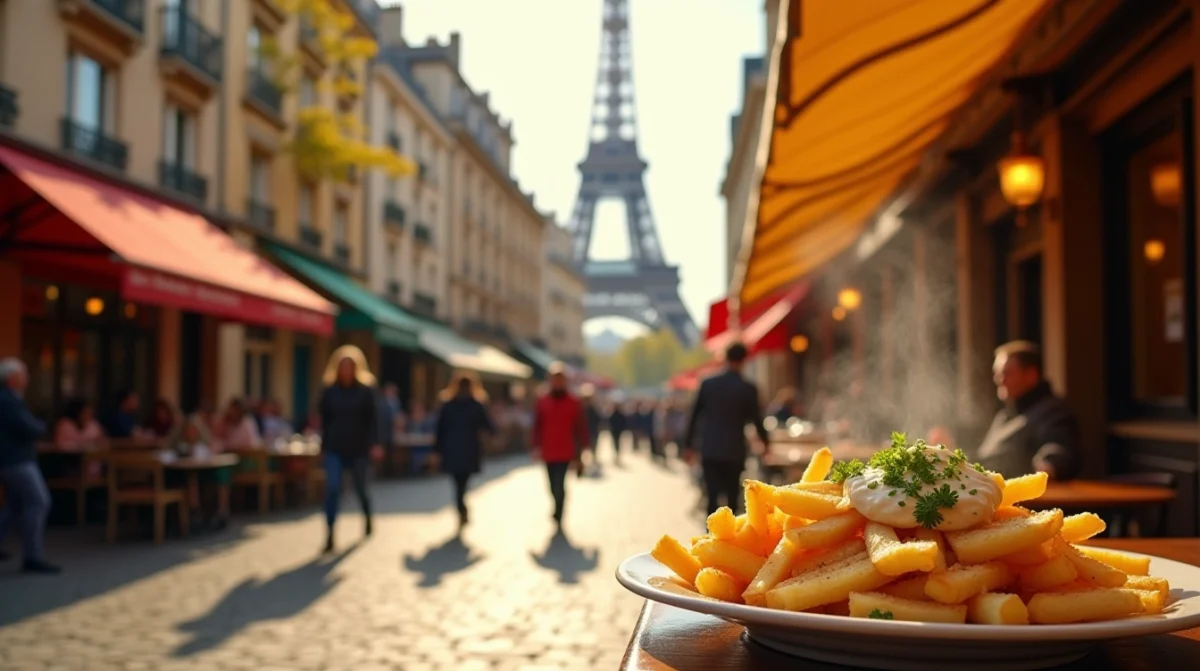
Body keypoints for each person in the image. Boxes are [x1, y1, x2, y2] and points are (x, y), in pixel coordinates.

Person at [974, 341, 1082, 480]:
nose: (998, 380)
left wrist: (1049, 465)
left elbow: (1058, 447)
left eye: (1006, 373)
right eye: (997, 373)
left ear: (1031, 375)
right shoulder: (1005, 415)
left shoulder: (1052, 412)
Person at [683, 343, 769, 516]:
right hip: (734, 449)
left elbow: (693, 416)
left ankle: (710, 538)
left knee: (712, 496)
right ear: (744, 361)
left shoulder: (708, 384)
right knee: (732, 497)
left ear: (725, 358)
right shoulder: (748, 388)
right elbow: (756, 419)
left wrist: (688, 446)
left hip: (710, 448)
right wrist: (766, 443)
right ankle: (729, 537)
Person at [0, 357, 60, 573]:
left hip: (13, 460)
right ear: (12, 378)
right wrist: (42, 427)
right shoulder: (8, 400)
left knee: (16, 506)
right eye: (23, 374)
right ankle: (32, 556)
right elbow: (27, 426)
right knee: (39, 501)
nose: (27, 378)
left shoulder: (11, 399)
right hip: (17, 461)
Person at [318, 345, 380, 552]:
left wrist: (375, 444)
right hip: (335, 446)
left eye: (349, 366)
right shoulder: (330, 391)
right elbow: (324, 421)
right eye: (342, 366)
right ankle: (330, 533)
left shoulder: (365, 391)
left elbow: (372, 420)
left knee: (361, 488)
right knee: (333, 488)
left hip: (359, 447)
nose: (346, 370)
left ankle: (367, 517)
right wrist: (323, 446)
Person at [532, 363, 589, 529]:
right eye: (554, 379)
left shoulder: (573, 402)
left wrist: (584, 447)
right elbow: (537, 425)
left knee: (559, 483)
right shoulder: (543, 401)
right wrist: (536, 446)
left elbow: (580, 426)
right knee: (551, 485)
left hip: (565, 451)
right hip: (548, 450)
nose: (557, 382)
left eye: (560, 379)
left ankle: (559, 512)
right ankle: (557, 506)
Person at [433, 373, 494, 528]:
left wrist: (437, 450)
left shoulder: (449, 405)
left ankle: (461, 508)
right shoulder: (475, 405)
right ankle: (462, 508)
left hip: (454, 450)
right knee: (462, 484)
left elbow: (440, 429)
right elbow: (488, 425)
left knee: (458, 484)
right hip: (468, 450)